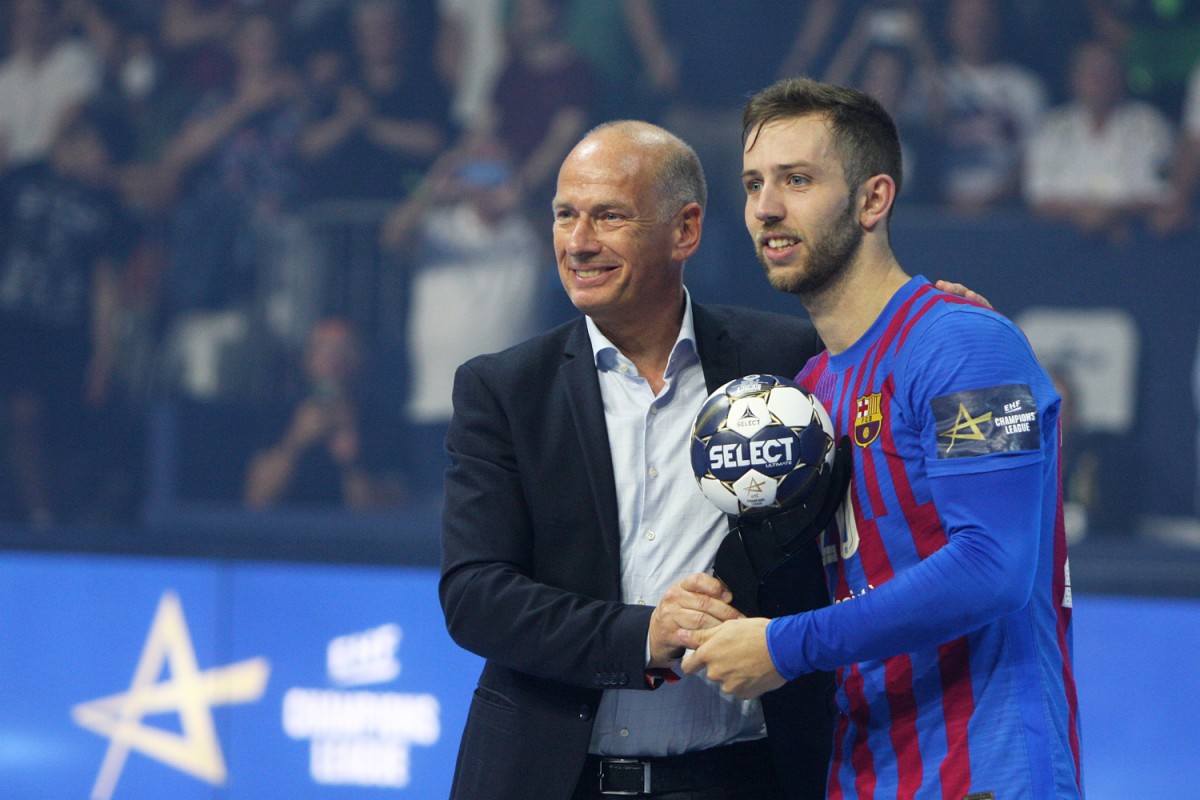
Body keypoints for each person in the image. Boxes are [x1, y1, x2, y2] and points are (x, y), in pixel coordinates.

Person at [438, 118, 987, 800]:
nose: (579, 242)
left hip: (746, 777)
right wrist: (644, 634)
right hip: (550, 779)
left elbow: (893, 377)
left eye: (609, 216)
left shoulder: (790, 362)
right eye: (565, 215)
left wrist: (945, 323)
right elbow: (475, 595)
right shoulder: (504, 389)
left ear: (686, 230)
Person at [679, 77, 1083, 799]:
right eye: (753, 183)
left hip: (983, 774)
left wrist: (784, 645)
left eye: (797, 180)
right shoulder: (807, 391)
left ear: (873, 200)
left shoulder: (965, 345)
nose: (766, 207)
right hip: (862, 773)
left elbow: (993, 566)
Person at [243, 317, 406, 509]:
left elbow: (387, 513)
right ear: (307, 358)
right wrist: (294, 442)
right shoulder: (277, 415)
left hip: (349, 527)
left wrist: (351, 461)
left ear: (360, 358)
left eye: (344, 349)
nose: (333, 358)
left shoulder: (382, 423)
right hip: (289, 525)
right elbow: (256, 500)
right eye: (323, 348)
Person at [1023, 39, 1177, 242]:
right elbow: (1038, 198)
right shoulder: (1051, 129)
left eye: (1107, 71)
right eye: (1091, 72)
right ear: (1073, 78)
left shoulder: (1150, 125)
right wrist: (1083, 214)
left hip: (1137, 245)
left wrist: (1111, 214)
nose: (1099, 80)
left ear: (1121, 76)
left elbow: (1161, 195)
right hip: (1062, 245)